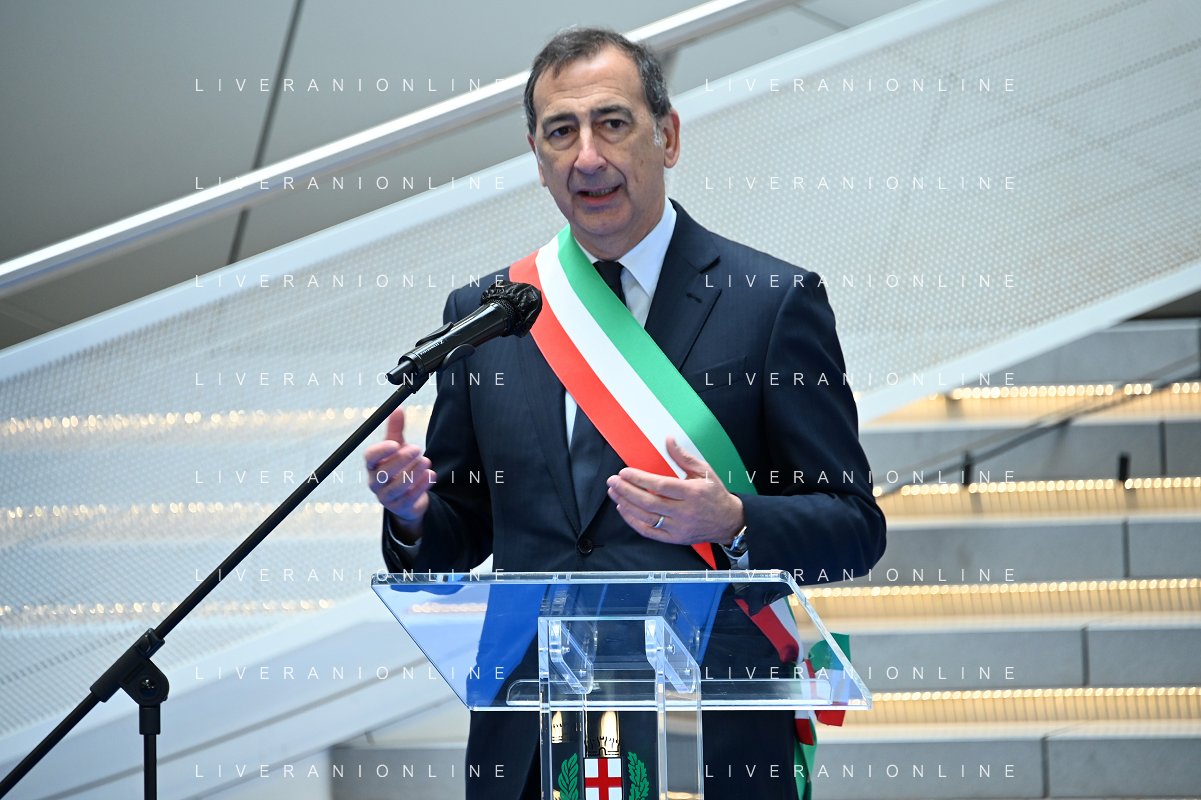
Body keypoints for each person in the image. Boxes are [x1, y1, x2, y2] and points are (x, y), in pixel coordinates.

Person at [365, 27, 886, 800]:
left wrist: (733, 521)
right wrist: (412, 514)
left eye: (612, 123)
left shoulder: (771, 303)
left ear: (666, 136)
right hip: (530, 743)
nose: (587, 157)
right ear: (536, 156)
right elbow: (464, 528)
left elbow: (853, 528)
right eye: (560, 132)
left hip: (711, 737)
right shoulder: (487, 315)